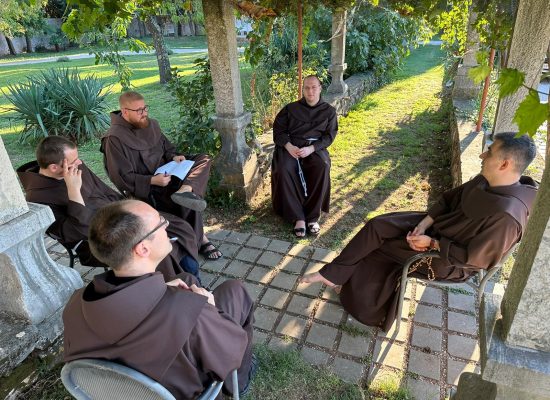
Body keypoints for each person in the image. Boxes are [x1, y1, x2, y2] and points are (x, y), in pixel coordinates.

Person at [300, 132, 538, 331]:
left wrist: (432, 244)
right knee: (378, 226)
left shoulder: (507, 217)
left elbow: (474, 259)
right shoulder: (486, 180)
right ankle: (335, 274)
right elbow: (448, 200)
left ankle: (366, 310)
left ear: (505, 164)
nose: (482, 155)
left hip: (449, 261)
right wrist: (423, 225)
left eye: (490, 152)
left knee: (381, 247)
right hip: (436, 228)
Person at [63, 200, 257, 399]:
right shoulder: (192, 314)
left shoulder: (74, 305)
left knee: (185, 279)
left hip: (130, 390)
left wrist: (161, 289)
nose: (167, 225)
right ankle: (239, 383)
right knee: (235, 290)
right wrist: (211, 310)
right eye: (161, 222)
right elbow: (232, 351)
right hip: (189, 392)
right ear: (143, 249)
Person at [17, 136, 201, 280]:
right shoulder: (38, 199)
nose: (79, 163)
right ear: (54, 167)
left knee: (179, 227)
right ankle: (174, 289)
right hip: (99, 242)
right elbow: (77, 232)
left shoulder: (74, 167)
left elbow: (106, 192)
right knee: (155, 250)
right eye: (73, 161)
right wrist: (74, 191)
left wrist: (132, 210)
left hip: (121, 218)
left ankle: (191, 280)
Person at [101, 91, 221, 259]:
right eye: (139, 110)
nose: (144, 113)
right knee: (186, 196)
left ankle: (186, 190)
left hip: (169, 172)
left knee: (202, 160)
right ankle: (200, 239)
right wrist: (152, 180)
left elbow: (167, 148)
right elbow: (122, 178)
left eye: (145, 108)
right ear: (125, 112)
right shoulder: (114, 139)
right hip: (149, 187)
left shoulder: (150, 125)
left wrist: (174, 157)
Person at [272, 75, 338, 237]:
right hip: (291, 147)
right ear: (302, 89)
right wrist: (289, 146)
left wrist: (311, 149)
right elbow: (278, 131)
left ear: (320, 88)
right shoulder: (290, 109)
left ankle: (312, 217)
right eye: (307, 87)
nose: (310, 91)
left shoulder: (329, 112)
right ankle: (298, 217)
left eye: (314, 87)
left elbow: (329, 136)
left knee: (322, 166)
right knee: (284, 167)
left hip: (314, 148)